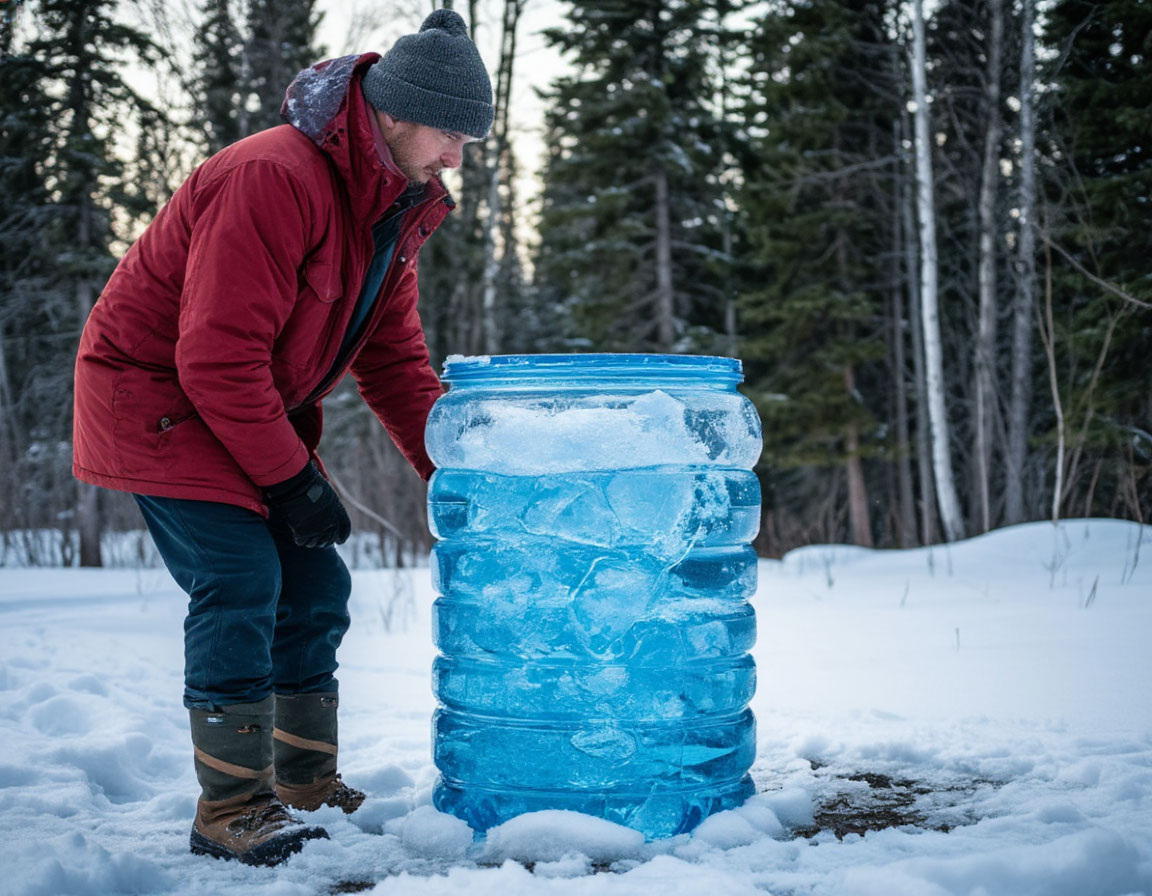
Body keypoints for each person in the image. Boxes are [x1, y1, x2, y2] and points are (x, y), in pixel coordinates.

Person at [72, 9, 492, 867]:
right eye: (452, 134)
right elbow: (216, 355)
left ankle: (303, 782)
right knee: (240, 576)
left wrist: (459, 475)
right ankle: (231, 807)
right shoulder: (274, 175)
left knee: (314, 585)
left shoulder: (394, 206)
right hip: (159, 398)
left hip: (238, 401)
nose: (457, 157)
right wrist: (292, 479)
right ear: (399, 114)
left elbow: (396, 364)